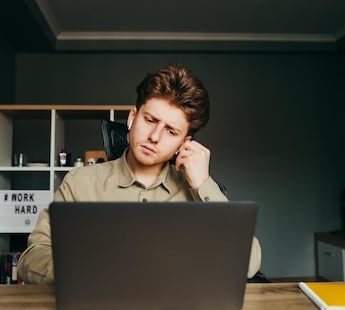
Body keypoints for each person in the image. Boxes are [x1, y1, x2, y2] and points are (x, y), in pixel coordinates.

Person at [17, 63, 262, 284]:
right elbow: (32, 258)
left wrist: (204, 185)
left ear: (184, 142)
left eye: (171, 132)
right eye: (151, 120)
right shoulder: (80, 183)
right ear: (133, 117)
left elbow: (248, 264)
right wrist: (83, 272)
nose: (154, 137)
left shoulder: (199, 191)